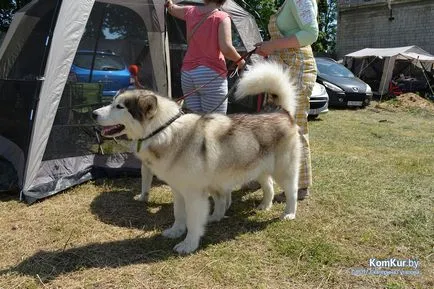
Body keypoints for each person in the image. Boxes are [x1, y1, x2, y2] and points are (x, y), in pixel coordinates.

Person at [255, 0, 319, 200]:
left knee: (294, 127)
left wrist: (272, 45)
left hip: (297, 68)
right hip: (283, 67)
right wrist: (269, 47)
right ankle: (266, 176)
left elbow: (311, 34)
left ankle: (300, 186)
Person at [165, 0, 245, 114]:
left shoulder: (190, 11)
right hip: (210, 75)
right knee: (215, 124)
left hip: (188, 75)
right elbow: (226, 48)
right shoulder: (222, 17)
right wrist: (241, 62)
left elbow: (171, 9)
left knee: (194, 122)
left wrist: (169, 3)